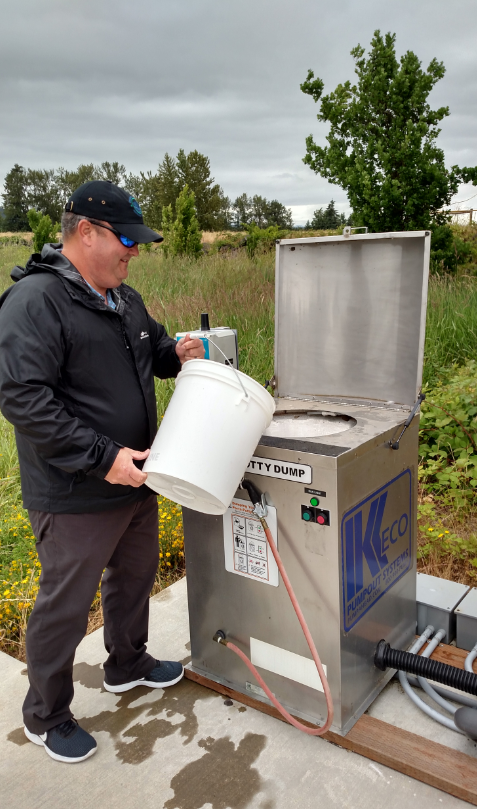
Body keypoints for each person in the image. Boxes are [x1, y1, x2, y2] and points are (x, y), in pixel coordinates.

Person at [0, 180, 205, 763]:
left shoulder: (125, 297)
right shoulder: (36, 301)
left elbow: (154, 353)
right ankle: (45, 714)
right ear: (84, 232)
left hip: (138, 477)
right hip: (74, 489)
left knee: (133, 579)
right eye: (126, 240)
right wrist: (102, 457)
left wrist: (178, 355)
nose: (134, 252)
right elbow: (22, 397)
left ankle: (128, 662)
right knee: (65, 604)